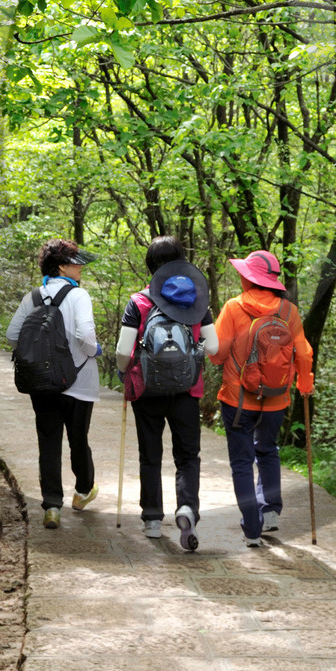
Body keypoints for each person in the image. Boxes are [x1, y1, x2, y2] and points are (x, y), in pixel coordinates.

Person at [115, 236, 219, 551]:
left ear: (150, 266)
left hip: (146, 388)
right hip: (187, 390)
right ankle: (187, 509)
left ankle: (151, 520)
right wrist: (194, 355)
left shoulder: (139, 301)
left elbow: (122, 351)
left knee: (150, 454)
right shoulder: (198, 300)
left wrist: (124, 372)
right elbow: (213, 348)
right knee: (187, 456)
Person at [209, 249, 314, 547]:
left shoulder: (233, 308)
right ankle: (270, 512)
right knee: (267, 450)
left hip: (237, 400)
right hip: (276, 400)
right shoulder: (288, 311)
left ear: (248, 278)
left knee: (242, 462)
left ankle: (252, 528)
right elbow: (304, 352)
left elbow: (217, 355)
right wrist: (304, 384)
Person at [6, 239, 101, 530]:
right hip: (79, 382)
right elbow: (86, 333)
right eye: (76, 262)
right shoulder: (78, 295)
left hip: (42, 383)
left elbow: (12, 335)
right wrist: (93, 349)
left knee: (48, 443)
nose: (81, 267)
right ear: (61, 266)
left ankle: (51, 507)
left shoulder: (32, 297)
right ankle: (83, 491)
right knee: (78, 439)